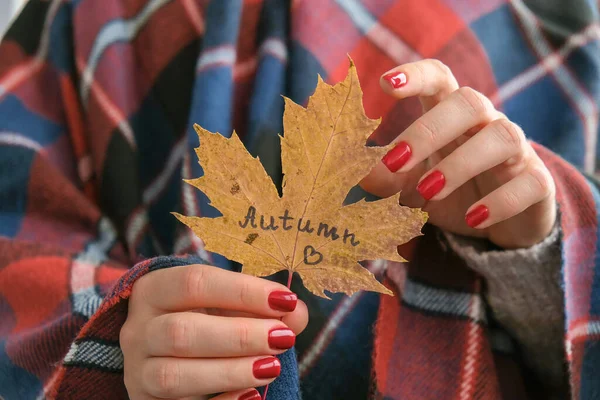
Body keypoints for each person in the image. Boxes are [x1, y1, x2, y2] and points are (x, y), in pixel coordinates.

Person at [0, 0, 599, 399]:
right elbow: (16, 259)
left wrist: (539, 259)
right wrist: (110, 344)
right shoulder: (88, 14)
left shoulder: (560, 29)